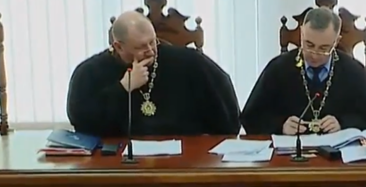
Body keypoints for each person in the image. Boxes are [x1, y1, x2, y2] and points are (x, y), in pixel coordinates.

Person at [66, 11, 240, 136]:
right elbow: (83, 124)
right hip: (119, 164)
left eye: (153, 42)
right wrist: (123, 88)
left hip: (186, 160)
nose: (150, 51)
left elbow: (226, 114)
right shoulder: (89, 72)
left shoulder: (191, 62)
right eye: (141, 46)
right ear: (119, 46)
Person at [240, 7, 366, 135]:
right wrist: (281, 126)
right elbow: (250, 118)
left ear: (336, 42)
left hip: (338, 158)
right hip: (289, 156)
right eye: (309, 45)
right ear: (301, 34)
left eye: (324, 48)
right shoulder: (278, 68)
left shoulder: (354, 71)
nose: (315, 55)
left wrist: (343, 124)